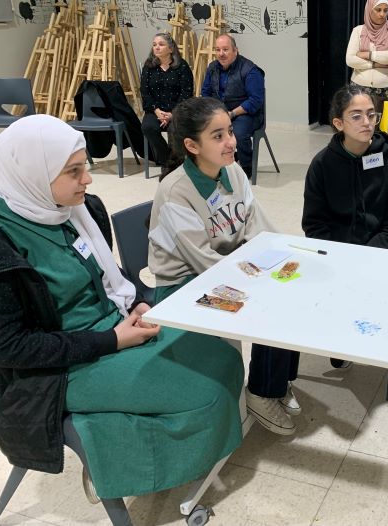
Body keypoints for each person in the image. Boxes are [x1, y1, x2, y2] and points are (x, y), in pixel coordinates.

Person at [0, 115, 243, 500]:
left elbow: (107, 279)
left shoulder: (73, 208)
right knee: (206, 393)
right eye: (74, 171)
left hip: (112, 326)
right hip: (58, 368)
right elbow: (12, 348)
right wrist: (111, 340)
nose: (88, 179)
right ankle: (112, 464)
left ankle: (115, 453)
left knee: (221, 357)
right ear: (32, 176)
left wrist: (137, 304)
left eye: (85, 167)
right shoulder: (3, 241)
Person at [148, 97, 301, 436]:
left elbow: (256, 226)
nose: (231, 142)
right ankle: (261, 393)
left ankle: (273, 383)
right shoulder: (175, 191)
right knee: (267, 307)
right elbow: (203, 263)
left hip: (226, 269)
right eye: (217, 136)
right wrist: (256, 279)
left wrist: (285, 258)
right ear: (192, 145)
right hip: (185, 289)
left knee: (289, 291)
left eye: (230, 131)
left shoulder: (231, 170)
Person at [302, 84, 388, 368]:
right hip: (337, 255)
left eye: (371, 115)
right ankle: (340, 335)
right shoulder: (322, 165)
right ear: (338, 123)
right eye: (356, 116)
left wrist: (366, 256)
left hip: (380, 252)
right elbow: (314, 223)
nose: (367, 122)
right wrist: (338, 257)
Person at [201, 34, 264, 180]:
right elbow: (205, 92)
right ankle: (215, 164)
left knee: (239, 134)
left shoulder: (250, 70)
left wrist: (232, 114)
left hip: (245, 113)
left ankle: (246, 167)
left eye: (225, 49)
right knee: (203, 130)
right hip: (219, 112)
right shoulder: (212, 68)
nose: (221, 54)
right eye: (218, 50)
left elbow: (255, 101)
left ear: (235, 51)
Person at [346, 0, 388, 143]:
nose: (382, 14)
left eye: (385, 10)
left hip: (386, 89)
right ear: (369, 9)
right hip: (359, 88)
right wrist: (375, 64)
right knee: (359, 128)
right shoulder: (358, 31)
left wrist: (367, 54)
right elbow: (350, 59)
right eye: (378, 10)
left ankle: (386, 163)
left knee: (387, 131)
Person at [140, 32, 193, 177]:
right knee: (148, 127)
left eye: (161, 44)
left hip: (176, 111)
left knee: (174, 129)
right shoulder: (149, 66)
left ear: (171, 49)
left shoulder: (182, 67)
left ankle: (176, 161)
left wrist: (172, 114)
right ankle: (168, 161)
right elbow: (145, 92)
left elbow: (186, 93)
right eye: (154, 45)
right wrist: (157, 111)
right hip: (155, 110)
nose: (156, 48)